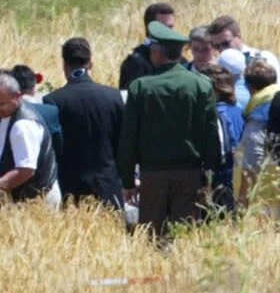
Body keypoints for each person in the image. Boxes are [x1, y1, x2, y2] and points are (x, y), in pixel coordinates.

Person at [119, 20, 220, 243]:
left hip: (152, 174)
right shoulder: (201, 85)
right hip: (190, 173)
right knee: (183, 237)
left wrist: (127, 180)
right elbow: (211, 134)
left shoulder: (141, 87)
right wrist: (209, 176)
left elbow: (129, 138)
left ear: (157, 52)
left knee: (153, 238)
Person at [43, 37, 125, 207]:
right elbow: (123, 141)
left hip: (71, 184)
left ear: (65, 65)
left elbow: (54, 146)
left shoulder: (53, 100)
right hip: (108, 182)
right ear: (91, 64)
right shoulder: (113, 96)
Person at [0, 71, 58, 208]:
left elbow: (26, 170)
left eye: (2, 104)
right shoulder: (6, 115)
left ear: (17, 96)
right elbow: (9, 148)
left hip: (36, 202)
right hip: (22, 200)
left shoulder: (23, 125)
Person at [199, 64, 242, 213]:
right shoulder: (239, 111)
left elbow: (220, 149)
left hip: (220, 176)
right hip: (238, 174)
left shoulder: (215, 114)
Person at [237, 58, 278, 206]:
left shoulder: (258, 114)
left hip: (268, 190)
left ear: (251, 88)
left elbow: (253, 156)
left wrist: (243, 198)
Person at [119, 2, 177, 91]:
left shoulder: (178, 59)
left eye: (171, 27)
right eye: (163, 27)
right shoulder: (135, 63)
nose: (168, 32)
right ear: (149, 28)